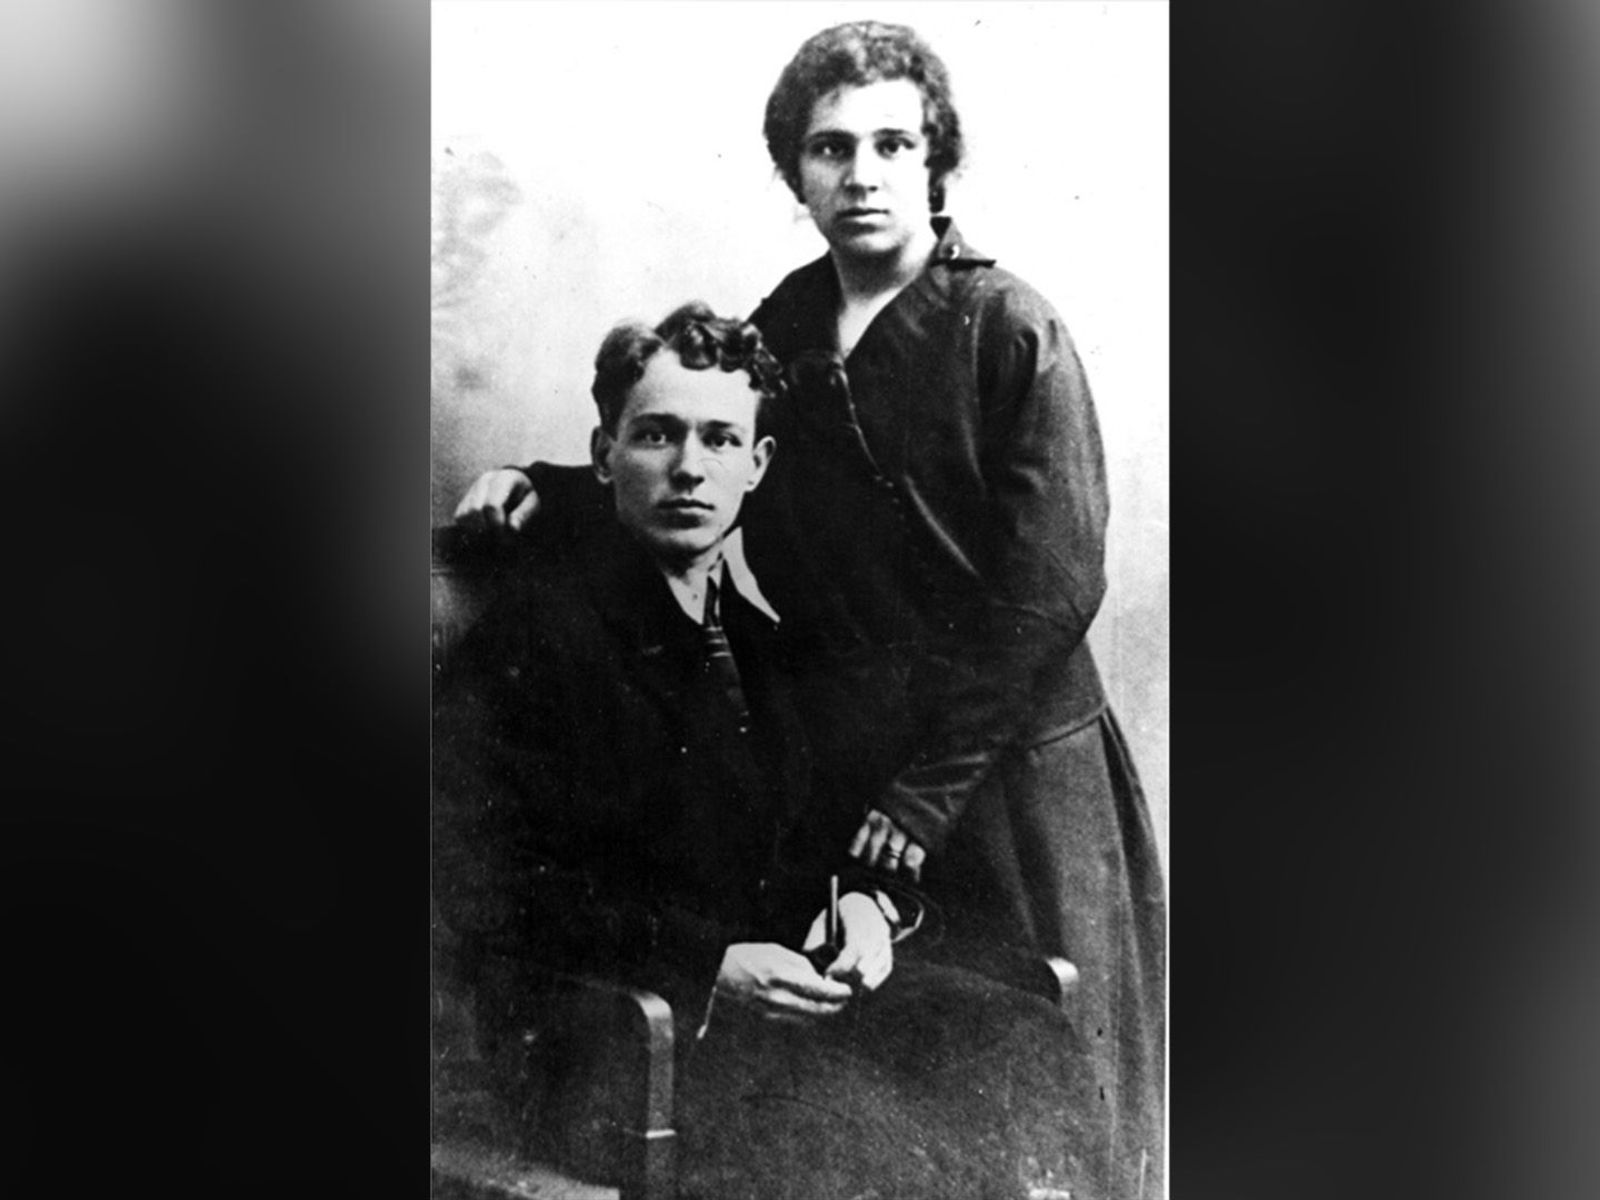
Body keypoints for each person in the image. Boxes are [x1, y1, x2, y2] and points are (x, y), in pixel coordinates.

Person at [454, 22, 1165, 1198]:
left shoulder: (1007, 326)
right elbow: (693, 445)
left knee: (1034, 1063)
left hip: (1002, 762)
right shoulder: (786, 322)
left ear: (936, 158)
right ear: (795, 171)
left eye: (894, 144)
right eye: (831, 148)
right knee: (872, 1098)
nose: (863, 174)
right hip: (852, 751)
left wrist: (919, 807)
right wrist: (543, 485)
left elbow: (1050, 589)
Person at [433, 303, 1105, 1200]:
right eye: (657, 435)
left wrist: (867, 906)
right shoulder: (535, 638)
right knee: (870, 1132)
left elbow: (835, 827)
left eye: (720, 440)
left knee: (1021, 1038)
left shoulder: (764, 642)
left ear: (756, 467)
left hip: (777, 1014)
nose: (689, 468)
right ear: (603, 455)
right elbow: (489, 887)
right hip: (623, 1036)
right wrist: (707, 965)